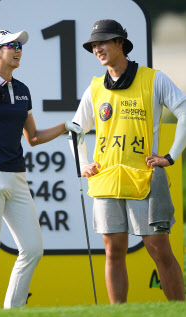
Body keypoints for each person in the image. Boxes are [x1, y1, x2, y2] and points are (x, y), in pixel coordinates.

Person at [0, 29, 84, 309]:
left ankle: (14, 310)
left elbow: (33, 137)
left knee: (33, 249)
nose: (18, 49)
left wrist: (64, 127)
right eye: (10, 45)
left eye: (19, 45)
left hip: (17, 178)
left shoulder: (22, 90)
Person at [72, 19, 186, 303]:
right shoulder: (95, 88)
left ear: (120, 43)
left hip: (144, 179)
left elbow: (184, 111)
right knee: (113, 251)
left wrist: (171, 156)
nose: (97, 48)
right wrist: (82, 163)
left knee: (159, 248)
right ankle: (117, 312)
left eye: (103, 42)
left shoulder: (153, 78)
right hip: (107, 180)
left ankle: (178, 308)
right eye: (94, 45)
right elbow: (76, 130)